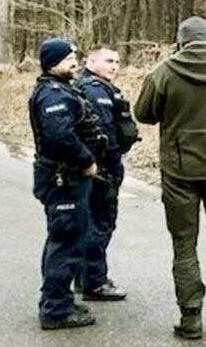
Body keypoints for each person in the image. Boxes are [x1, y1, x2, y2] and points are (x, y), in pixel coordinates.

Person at [134, 16, 206, 339]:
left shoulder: (164, 73)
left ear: (181, 40)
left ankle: (191, 319)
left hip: (178, 171)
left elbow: (143, 113)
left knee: (184, 245)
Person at [29, 37, 100, 330]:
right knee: (66, 242)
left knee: (64, 238)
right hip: (63, 178)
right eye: (69, 58)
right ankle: (56, 311)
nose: (75, 62)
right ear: (53, 63)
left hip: (65, 177)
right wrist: (87, 160)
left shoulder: (61, 89)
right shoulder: (52, 95)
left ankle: (58, 300)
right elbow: (60, 136)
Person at [74, 45, 140, 301]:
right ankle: (94, 282)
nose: (114, 65)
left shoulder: (95, 87)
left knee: (94, 222)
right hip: (103, 168)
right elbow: (103, 135)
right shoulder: (94, 91)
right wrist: (109, 163)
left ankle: (86, 277)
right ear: (90, 62)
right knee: (100, 223)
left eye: (117, 61)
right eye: (108, 61)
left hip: (100, 167)